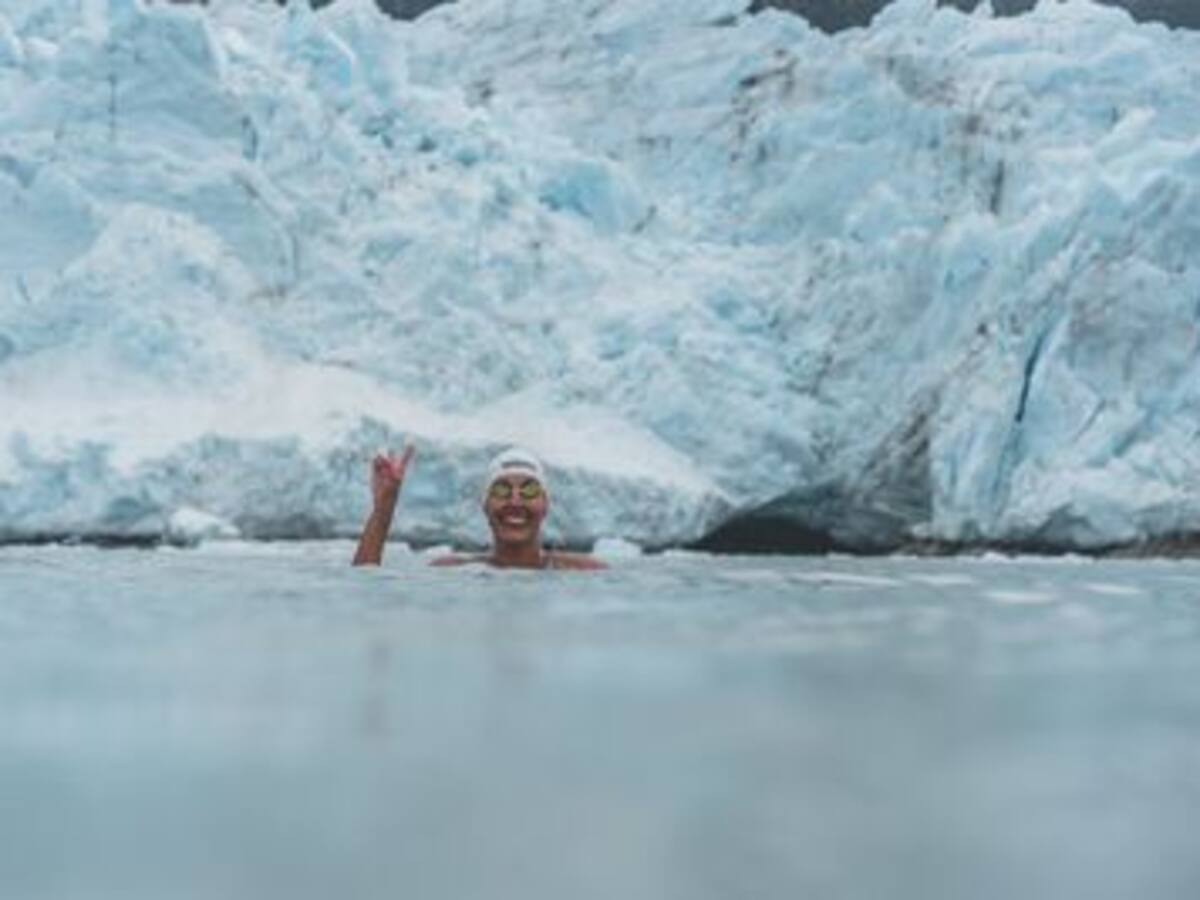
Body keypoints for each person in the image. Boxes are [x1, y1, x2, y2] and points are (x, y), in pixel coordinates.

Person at [352, 445, 607, 570]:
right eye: (501, 490)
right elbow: (365, 590)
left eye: (529, 490)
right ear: (485, 505)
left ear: (545, 504)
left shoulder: (584, 572)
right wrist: (383, 509)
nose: (515, 501)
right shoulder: (451, 571)